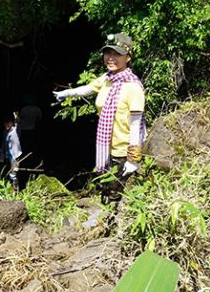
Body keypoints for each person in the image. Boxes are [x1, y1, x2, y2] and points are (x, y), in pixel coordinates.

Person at [53, 33, 145, 199]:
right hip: (106, 149)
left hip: (122, 153)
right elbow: (88, 89)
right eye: (108, 53)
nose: (110, 58)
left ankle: (113, 222)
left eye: (117, 54)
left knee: (115, 194)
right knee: (106, 189)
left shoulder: (132, 86)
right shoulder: (108, 79)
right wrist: (65, 94)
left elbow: (135, 125)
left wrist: (133, 159)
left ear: (128, 57)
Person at [0, 114, 22, 189]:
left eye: (8, 123)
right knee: (7, 171)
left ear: (11, 123)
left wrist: (16, 116)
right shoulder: (5, 132)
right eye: (5, 123)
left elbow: (18, 123)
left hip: (15, 155)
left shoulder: (16, 130)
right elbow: (3, 143)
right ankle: (8, 186)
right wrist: (2, 154)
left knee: (13, 172)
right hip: (7, 154)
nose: (6, 125)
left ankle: (16, 188)